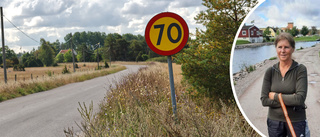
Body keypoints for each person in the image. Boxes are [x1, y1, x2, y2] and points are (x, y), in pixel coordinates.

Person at [260, 32, 309, 137]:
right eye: (279, 47)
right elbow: (264, 100)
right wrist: (291, 100)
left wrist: (275, 96)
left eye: (286, 47)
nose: (282, 51)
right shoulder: (270, 71)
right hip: (274, 123)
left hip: (296, 122)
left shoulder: (300, 69)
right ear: (276, 49)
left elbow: (300, 99)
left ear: (293, 49)